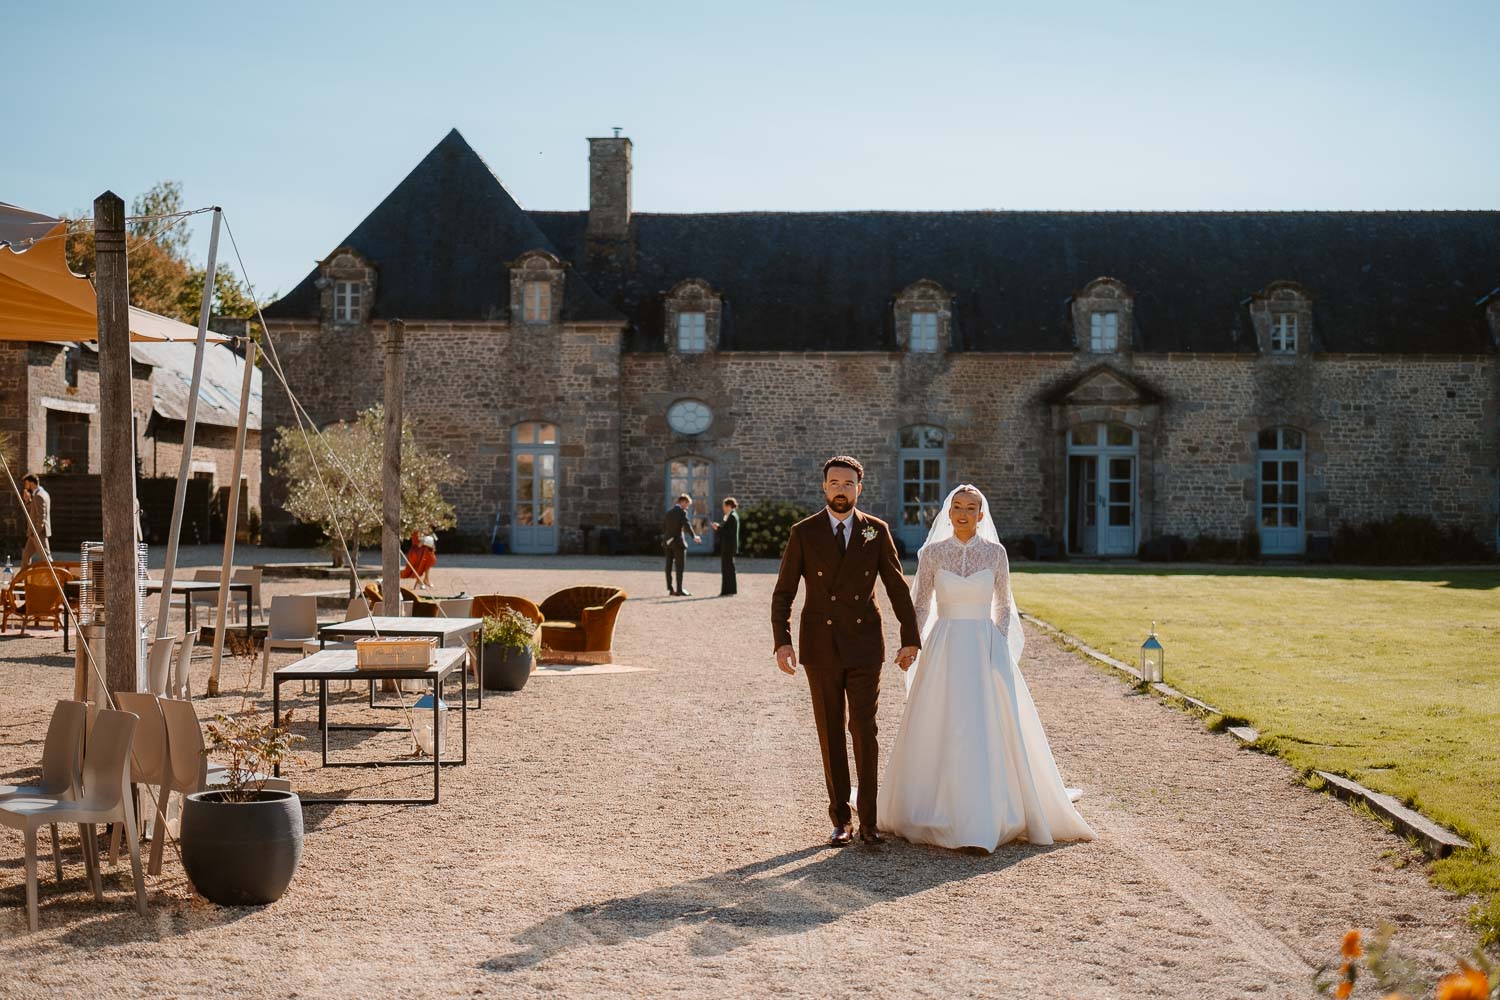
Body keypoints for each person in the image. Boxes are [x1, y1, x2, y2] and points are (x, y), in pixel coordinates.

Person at [878, 485, 1095, 851]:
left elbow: (1004, 605)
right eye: (957, 507)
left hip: (984, 643)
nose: (963, 513)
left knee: (984, 722)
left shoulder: (996, 553)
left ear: (981, 515)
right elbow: (921, 604)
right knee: (942, 719)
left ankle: (989, 811)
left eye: (971, 508)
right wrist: (911, 643)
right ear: (948, 513)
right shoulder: (932, 553)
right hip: (944, 644)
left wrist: (999, 643)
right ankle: (937, 808)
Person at [771, 455, 920, 847]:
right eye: (834, 483)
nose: (841, 489)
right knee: (831, 730)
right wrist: (782, 641)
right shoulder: (804, 532)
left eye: (848, 483)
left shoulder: (876, 531)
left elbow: (897, 586)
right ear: (824, 487)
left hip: (864, 643)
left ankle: (869, 821)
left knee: (864, 728)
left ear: (859, 488)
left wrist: (910, 637)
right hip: (819, 646)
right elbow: (784, 592)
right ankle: (841, 819)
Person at [662, 494, 699, 596]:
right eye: (687, 504)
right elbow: (687, 525)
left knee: (668, 566)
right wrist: (694, 536)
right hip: (678, 543)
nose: (687, 507)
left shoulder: (669, 512)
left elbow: (664, 527)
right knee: (679, 566)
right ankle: (679, 589)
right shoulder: (682, 512)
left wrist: (669, 536)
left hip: (667, 542)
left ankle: (670, 589)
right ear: (682, 502)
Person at [710, 497, 740, 596]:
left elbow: (729, 533)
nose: (723, 508)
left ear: (728, 506)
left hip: (728, 547)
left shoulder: (732, 516)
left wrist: (718, 528)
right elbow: (727, 529)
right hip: (729, 546)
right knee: (729, 568)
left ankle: (727, 590)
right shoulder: (731, 515)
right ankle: (730, 590)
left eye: (724, 506)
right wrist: (719, 527)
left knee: (727, 569)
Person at [20, 474, 51, 567]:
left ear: (31, 483)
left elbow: (41, 517)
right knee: (26, 557)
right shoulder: (41, 493)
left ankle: (54, 575)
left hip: (38, 533)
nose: (25, 486)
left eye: (26, 483)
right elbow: (34, 510)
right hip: (34, 533)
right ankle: (23, 576)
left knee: (46, 558)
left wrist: (36, 533)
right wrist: (28, 500)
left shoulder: (39, 496)